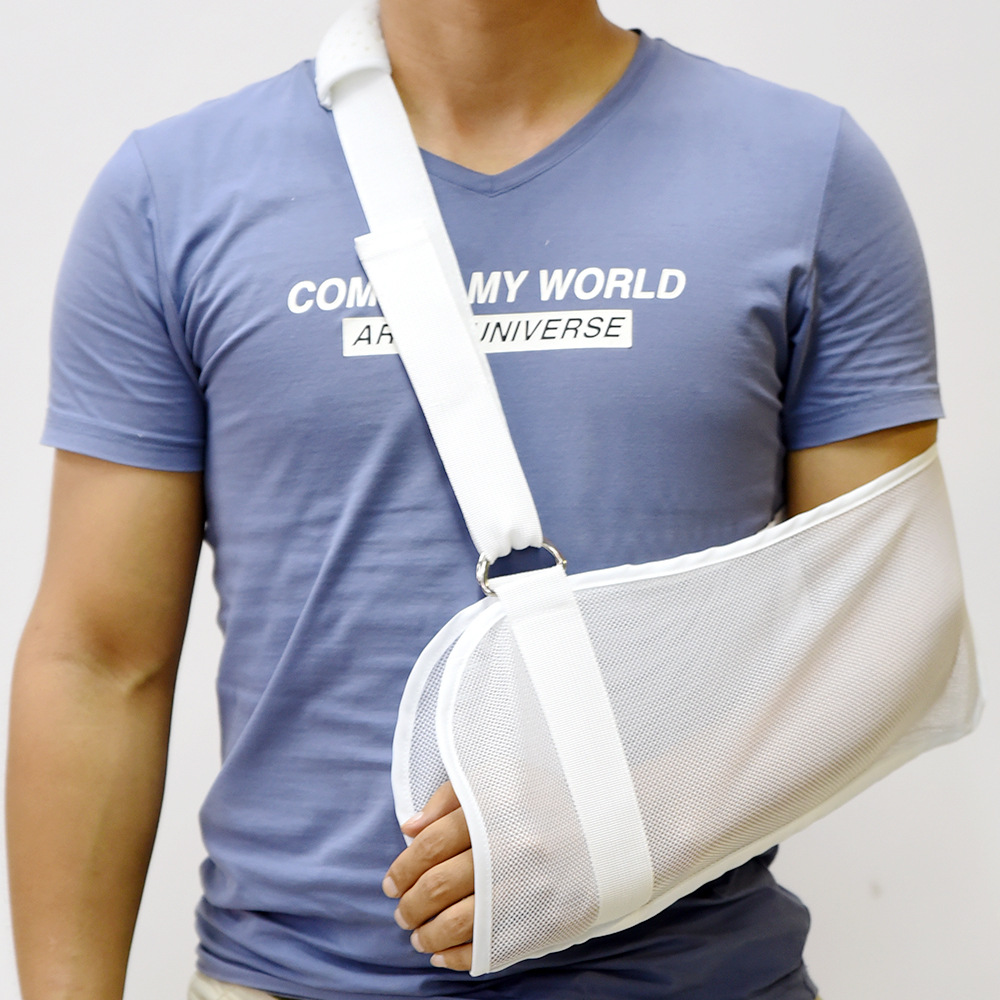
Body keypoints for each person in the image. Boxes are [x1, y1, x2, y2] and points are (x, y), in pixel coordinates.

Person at [6, 0, 943, 998]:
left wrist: (622, 808)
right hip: (291, 976)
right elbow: (98, 660)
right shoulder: (172, 194)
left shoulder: (806, 173)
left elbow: (886, 628)